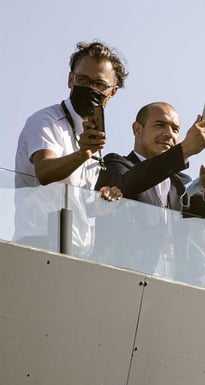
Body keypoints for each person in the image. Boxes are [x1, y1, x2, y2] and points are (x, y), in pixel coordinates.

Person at [93, 102, 205, 277]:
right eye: (160, 125)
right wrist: (184, 150)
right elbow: (127, 184)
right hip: (123, 280)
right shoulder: (116, 164)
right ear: (138, 129)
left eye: (175, 129)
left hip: (171, 288)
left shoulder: (181, 183)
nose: (169, 134)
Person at [14, 40, 128, 251]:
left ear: (112, 92)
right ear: (70, 80)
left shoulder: (94, 133)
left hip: (77, 248)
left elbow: (77, 201)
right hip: (39, 243)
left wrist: (102, 202)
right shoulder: (45, 121)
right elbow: (44, 172)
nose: (91, 89)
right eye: (83, 80)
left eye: (100, 85)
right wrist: (82, 154)